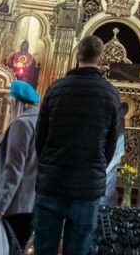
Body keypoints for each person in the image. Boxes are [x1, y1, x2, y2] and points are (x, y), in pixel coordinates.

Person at [34, 34, 120, 255]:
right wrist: (96, 167)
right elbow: (111, 145)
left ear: (77, 55)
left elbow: (40, 139)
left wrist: (48, 166)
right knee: (78, 250)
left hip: (52, 182)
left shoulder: (55, 89)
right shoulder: (110, 94)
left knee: (44, 248)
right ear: (101, 59)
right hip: (87, 187)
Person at [0, 80, 41, 252]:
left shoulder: (22, 124)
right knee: (20, 247)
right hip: (33, 201)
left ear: (16, 102)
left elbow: (13, 170)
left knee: (9, 248)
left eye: (10, 104)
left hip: (16, 205)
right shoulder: (41, 120)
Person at [103, 101, 128, 206]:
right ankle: (106, 201)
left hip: (111, 147)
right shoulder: (120, 119)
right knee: (110, 172)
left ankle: (106, 199)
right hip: (115, 146)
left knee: (109, 173)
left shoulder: (112, 118)